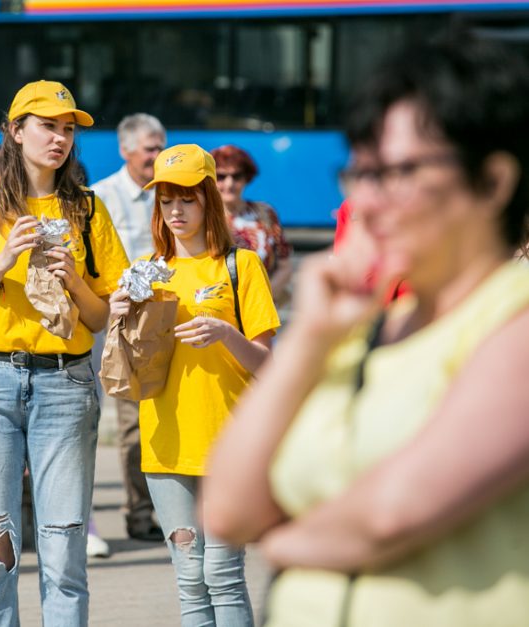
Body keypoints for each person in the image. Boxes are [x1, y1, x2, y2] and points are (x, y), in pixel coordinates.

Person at [202, 36, 529, 626]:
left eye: (400, 172)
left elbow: (391, 514)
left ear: (494, 182)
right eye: (361, 173)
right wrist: (309, 337)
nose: (370, 202)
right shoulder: (358, 329)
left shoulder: (513, 323)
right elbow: (226, 509)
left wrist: (286, 545)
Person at [0, 80, 129, 626]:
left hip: (65, 383)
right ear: (16, 132)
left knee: (65, 550)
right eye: (48, 126)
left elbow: (99, 319)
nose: (60, 138)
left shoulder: (89, 210)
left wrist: (75, 282)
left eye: (68, 129)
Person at [108, 144, 278, 627]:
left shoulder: (239, 266)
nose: (175, 210)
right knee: (189, 580)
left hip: (229, 445)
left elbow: (268, 363)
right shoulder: (146, 272)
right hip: (165, 444)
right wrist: (118, 322)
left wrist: (225, 333)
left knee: (223, 573)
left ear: (208, 199)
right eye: (165, 199)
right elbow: (126, 369)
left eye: (186, 198)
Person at [92, 113, 167, 544]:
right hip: (122, 327)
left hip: (166, 322)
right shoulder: (104, 197)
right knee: (132, 423)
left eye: (160, 147)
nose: (157, 156)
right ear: (125, 150)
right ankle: (139, 513)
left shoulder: (170, 194)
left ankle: (160, 509)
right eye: (150, 149)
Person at [211, 145, 293, 305]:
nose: (229, 183)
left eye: (236, 176)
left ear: (246, 177)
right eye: (221, 176)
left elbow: (285, 266)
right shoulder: (203, 217)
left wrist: (262, 299)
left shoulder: (266, 213)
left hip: (261, 310)